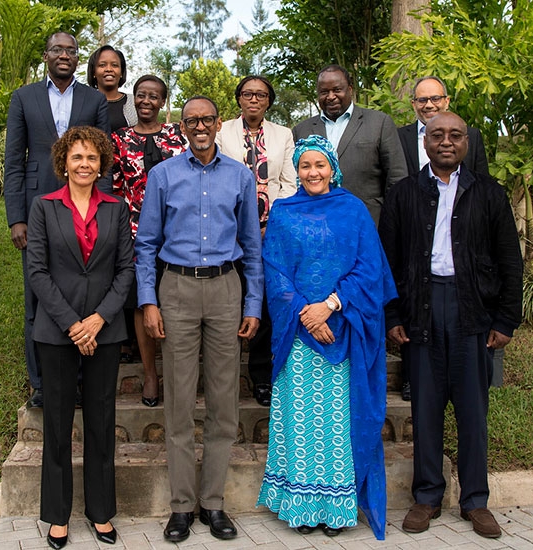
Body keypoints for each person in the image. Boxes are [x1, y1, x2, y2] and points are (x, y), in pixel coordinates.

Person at [379, 112, 523, 539]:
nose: (446, 142)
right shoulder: (403, 195)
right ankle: (426, 497)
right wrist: (392, 315)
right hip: (421, 310)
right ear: (425, 142)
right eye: (437, 135)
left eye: (455, 135)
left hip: (471, 311)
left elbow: (510, 262)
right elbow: (386, 262)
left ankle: (475, 501)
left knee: (473, 411)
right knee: (425, 409)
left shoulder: (489, 194)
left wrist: (505, 320)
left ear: (466, 142)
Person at [134, 96, 263, 543]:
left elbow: (251, 245)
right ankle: (182, 506)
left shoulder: (240, 176)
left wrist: (252, 304)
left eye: (208, 119)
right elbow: (146, 244)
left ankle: (213, 503)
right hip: (177, 291)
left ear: (218, 123)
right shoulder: (163, 175)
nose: (201, 126)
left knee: (225, 403)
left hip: (227, 288)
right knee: (180, 404)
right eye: (192, 121)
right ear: (183, 126)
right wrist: (149, 301)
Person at [257, 135, 397, 540]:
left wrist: (330, 306)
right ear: (296, 171)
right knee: (300, 421)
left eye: (320, 165)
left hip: (344, 331)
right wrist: (306, 312)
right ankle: (300, 505)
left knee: (337, 422)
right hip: (298, 335)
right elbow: (275, 271)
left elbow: (369, 270)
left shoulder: (352, 211)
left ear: (333, 168)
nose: (313, 173)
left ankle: (336, 509)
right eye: (305, 166)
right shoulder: (283, 212)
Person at [26, 126, 134, 549]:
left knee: (101, 423)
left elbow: (125, 270)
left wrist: (98, 320)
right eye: (77, 157)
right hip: (56, 333)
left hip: (105, 334)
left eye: (91, 157)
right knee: (56, 423)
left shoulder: (116, 208)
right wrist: (74, 324)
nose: (84, 164)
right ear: (63, 163)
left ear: (101, 163)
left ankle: (100, 512)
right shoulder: (44, 207)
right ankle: (57, 516)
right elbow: (37, 271)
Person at [4, 32, 109, 409]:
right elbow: (14, 161)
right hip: (37, 211)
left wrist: (105, 212)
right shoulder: (24, 97)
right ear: (46, 55)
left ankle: (80, 381)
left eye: (71, 50)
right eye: (57, 50)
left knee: (81, 294)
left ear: (78, 59)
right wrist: (16, 217)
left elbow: (104, 161)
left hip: (85, 210)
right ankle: (42, 385)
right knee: (38, 297)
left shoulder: (93, 99)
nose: (64, 55)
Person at [395, 76, 493, 401]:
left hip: (462, 262)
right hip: (415, 245)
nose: (429, 104)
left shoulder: (473, 137)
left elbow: (481, 194)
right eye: (422, 100)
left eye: (435, 98)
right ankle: (412, 379)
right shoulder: (400, 138)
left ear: (446, 101)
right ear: (413, 105)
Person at [216, 75, 297, 407]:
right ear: (238, 99)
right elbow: (218, 178)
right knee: (231, 300)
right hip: (230, 230)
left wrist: (270, 224)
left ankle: (262, 376)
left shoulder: (283, 135)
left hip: (272, 232)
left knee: (264, 302)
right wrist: (241, 225)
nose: (254, 99)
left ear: (268, 101)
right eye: (247, 94)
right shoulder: (223, 134)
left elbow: (290, 183)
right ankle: (225, 379)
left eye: (260, 95)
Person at [111, 74, 187, 407]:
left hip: (175, 232)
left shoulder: (177, 136)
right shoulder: (119, 139)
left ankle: (175, 371)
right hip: (133, 231)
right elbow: (114, 189)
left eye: (153, 97)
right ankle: (150, 374)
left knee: (173, 299)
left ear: (162, 101)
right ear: (134, 99)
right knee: (143, 302)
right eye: (140, 95)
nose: (146, 101)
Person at [292, 64, 406, 225]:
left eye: (337, 90)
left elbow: (396, 177)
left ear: (350, 89)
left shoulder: (379, 122)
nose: (331, 96)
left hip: (368, 222)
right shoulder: (301, 130)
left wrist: (391, 220)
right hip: (316, 224)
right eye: (324, 92)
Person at [87, 45, 137, 131]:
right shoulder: (84, 102)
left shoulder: (134, 102)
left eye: (115, 65)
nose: (109, 69)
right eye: (102, 65)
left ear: (121, 72)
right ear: (93, 72)